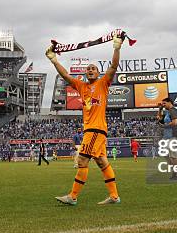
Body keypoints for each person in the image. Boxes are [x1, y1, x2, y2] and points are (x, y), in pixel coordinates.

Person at [47, 30, 123, 205]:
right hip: (95, 130)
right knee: (102, 162)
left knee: (82, 160)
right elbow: (65, 75)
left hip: (95, 129)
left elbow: (113, 67)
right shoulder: (81, 86)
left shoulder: (103, 83)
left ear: (98, 73)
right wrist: (53, 59)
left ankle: (73, 196)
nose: (90, 70)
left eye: (93, 69)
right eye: (87, 69)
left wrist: (117, 47)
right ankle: (114, 196)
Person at [157, 97, 177, 180]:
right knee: (165, 154)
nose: (163, 105)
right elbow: (159, 118)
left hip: (173, 136)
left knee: (173, 156)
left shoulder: (173, 110)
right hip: (167, 136)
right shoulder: (168, 112)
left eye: (164, 103)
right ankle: (175, 172)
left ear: (169, 102)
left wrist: (164, 126)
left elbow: (175, 122)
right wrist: (160, 108)